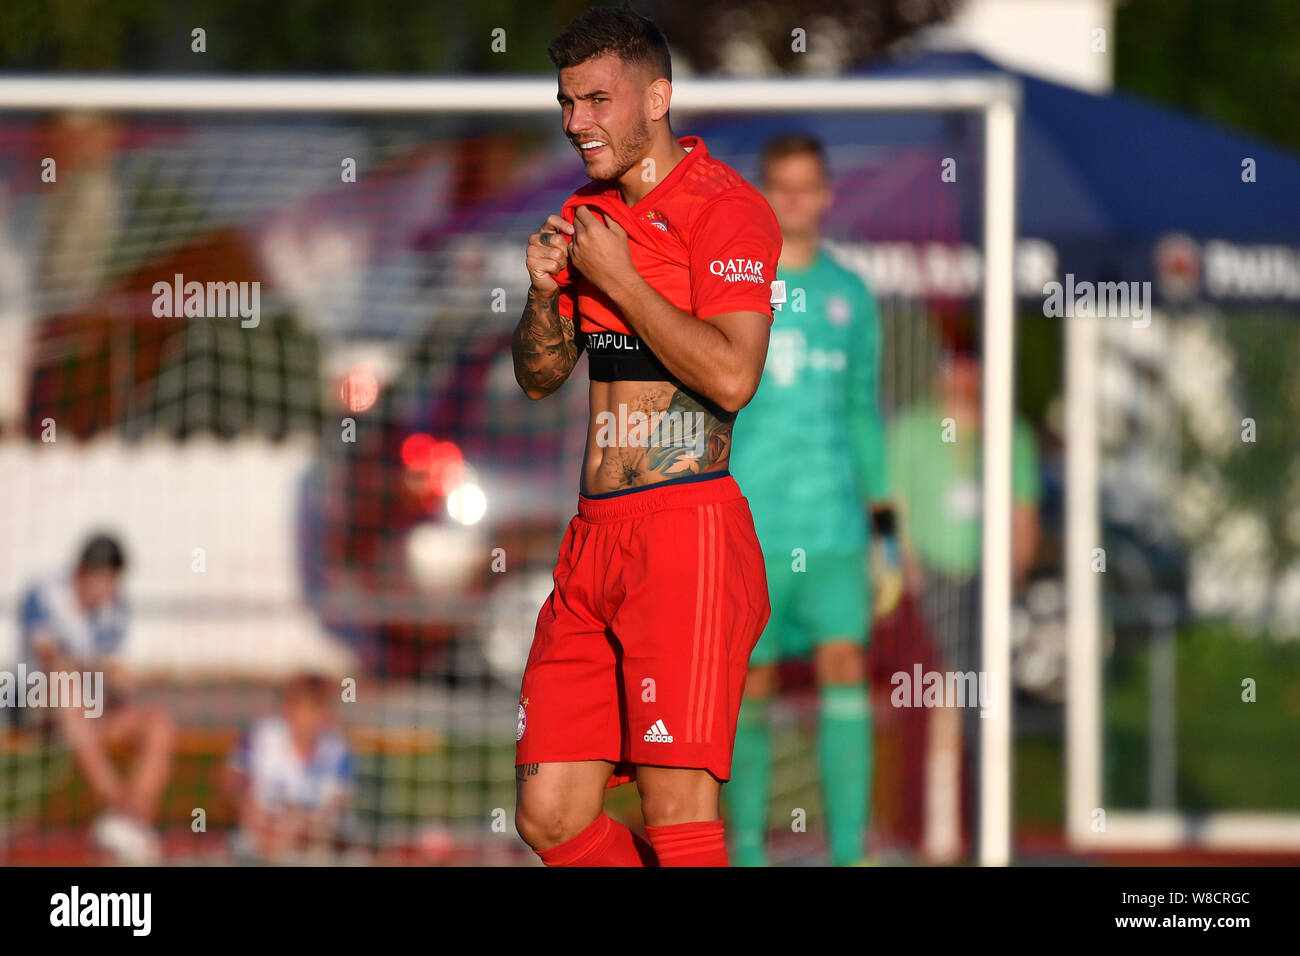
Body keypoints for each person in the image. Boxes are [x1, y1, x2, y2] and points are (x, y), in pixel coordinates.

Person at [510, 4, 782, 867]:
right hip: (595, 542)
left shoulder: (728, 211)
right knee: (548, 814)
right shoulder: (585, 214)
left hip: (686, 536)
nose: (574, 122)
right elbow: (541, 376)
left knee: (676, 811)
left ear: (656, 98)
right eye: (565, 102)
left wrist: (621, 281)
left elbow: (734, 375)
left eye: (595, 100)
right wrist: (546, 295)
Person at [726, 133, 900, 866]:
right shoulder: (735, 287)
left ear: (827, 196)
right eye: (780, 185)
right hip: (752, 524)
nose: (794, 199)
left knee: (843, 666)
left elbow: (864, 410)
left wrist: (885, 524)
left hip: (832, 526)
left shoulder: (850, 295)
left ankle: (850, 851)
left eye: (807, 186)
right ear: (763, 193)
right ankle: (743, 850)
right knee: (750, 680)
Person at [888, 327, 1041, 854]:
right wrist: (904, 578)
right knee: (930, 710)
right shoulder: (910, 430)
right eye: (951, 364)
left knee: (982, 712)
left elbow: (1023, 515)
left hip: (986, 590)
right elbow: (894, 510)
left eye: (968, 363)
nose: (959, 376)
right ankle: (932, 832)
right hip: (928, 585)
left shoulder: (1009, 435)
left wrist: (1012, 583)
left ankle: (982, 827)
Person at [19, 532, 172, 863]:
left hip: (87, 713)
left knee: (157, 719)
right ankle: (120, 805)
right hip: (37, 706)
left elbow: (112, 672)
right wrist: (98, 669)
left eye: (113, 581)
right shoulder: (44, 594)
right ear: (82, 574)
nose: (108, 590)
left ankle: (130, 824)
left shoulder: (115, 608)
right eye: (103, 580)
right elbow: (50, 660)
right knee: (64, 682)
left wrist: (119, 682)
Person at [223, 672, 353, 863]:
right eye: (296, 705)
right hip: (259, 830)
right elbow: (230, 778)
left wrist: (298, 827)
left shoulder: (337, 748)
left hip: (310, 838)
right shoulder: (261, 736)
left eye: (312, 708)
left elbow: (335, 806)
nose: (303, 717)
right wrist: (248, 809)